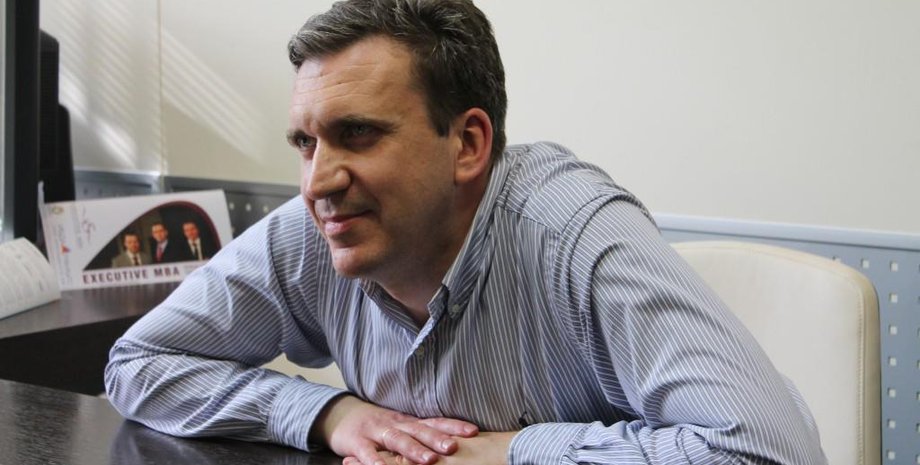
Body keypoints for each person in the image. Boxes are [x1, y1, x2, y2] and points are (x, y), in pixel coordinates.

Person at [104, 1, 826, 464]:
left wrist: (513, 452)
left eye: (358, 134)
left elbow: (769, 450)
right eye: (305, 143)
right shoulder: (315, 232)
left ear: (468, 144)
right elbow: (139, 363)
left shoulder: (574, 235)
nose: (318, 181)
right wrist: (325, 411)